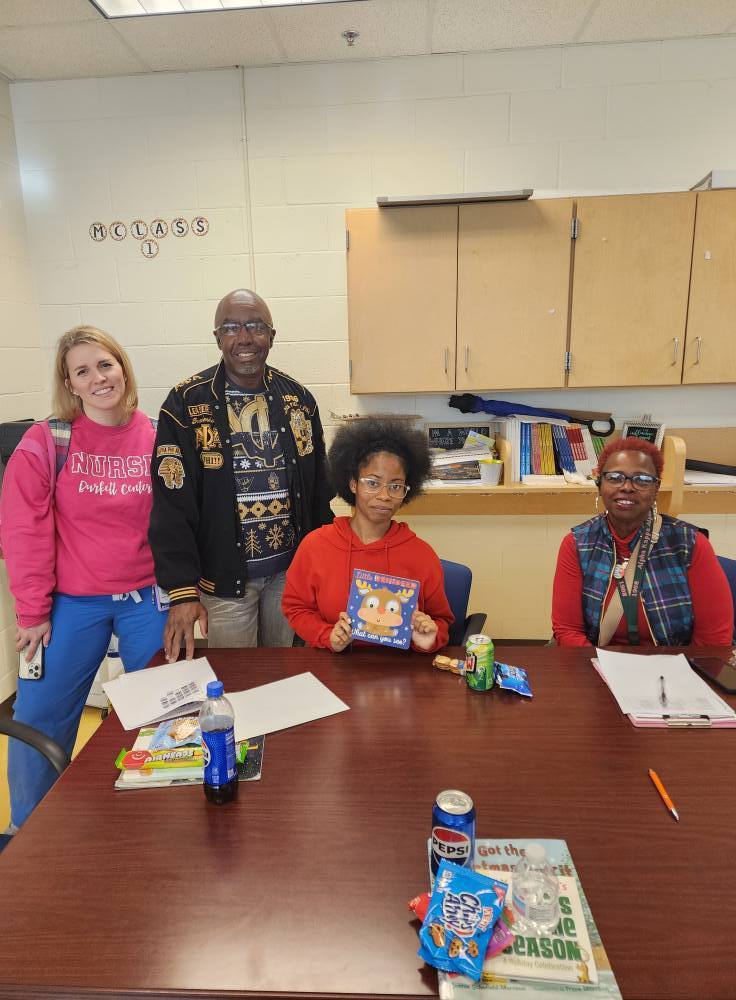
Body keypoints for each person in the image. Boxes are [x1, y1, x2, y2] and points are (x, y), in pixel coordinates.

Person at [0, 326, 166, 830]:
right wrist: (32, 611)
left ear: (123, 367)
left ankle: (160, 823)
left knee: (163, 712)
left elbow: (180, 520)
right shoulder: (46, 442)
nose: (98, 378)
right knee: (39, 717)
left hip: (147, 598)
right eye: (83, 371)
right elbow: (23, 530)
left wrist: (185, 593)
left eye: (105, 364)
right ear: (69, 383)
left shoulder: (157, 435)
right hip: (72, 603)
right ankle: (31, 832)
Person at [149, 288, 333, 661]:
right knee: (236, 679)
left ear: (272, 336)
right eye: (231, 327)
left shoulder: (298, 400)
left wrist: (322, 566)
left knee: (285, 670)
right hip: (223, 582)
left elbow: (319, 493)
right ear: (218, 337)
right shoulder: (185, 402)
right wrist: (181, 590)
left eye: (256, 326)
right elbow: (171, 505)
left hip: (290, 575)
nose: (245, 337)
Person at [282, 417, 453, 652]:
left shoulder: (421, 554)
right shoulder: (316, 546)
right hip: (333, 664)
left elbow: (441, 621)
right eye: (373, 483)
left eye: (395, 486)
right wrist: (326, 635)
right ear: (353, 483)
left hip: (401, 667)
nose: (384, 496)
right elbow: (296, 607)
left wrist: (430, 638)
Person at [552, 436, 733, 647]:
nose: (627, 487)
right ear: (600, 485)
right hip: (596, 661)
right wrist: (597, 665)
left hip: (674, 664)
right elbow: (568, 630)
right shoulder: (577, 544)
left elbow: (713, 639)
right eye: (614, 477)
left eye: (642, 479)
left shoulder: (690, 543)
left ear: (656, 488)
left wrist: (680, 668)